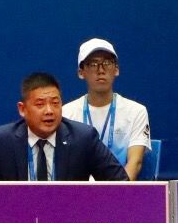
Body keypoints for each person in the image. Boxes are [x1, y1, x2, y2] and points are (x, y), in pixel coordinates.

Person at [0, 72, 127, 181]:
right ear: (22, 109)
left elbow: (121, 185)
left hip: (69, 218)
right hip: (17, 218)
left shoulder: (83, 138)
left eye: (55, 103)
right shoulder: (1, 141)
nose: (49, 111)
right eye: (40, 104)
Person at [62, 38, 152, 180]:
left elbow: (135, 163)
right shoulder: (66, 113)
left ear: (116, 69)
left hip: (120, 188)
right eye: (93, 64)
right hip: (80, 191)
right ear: (81, 72)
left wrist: (116, 191)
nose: (101, 70)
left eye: (107, 63)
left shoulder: (136, 112)